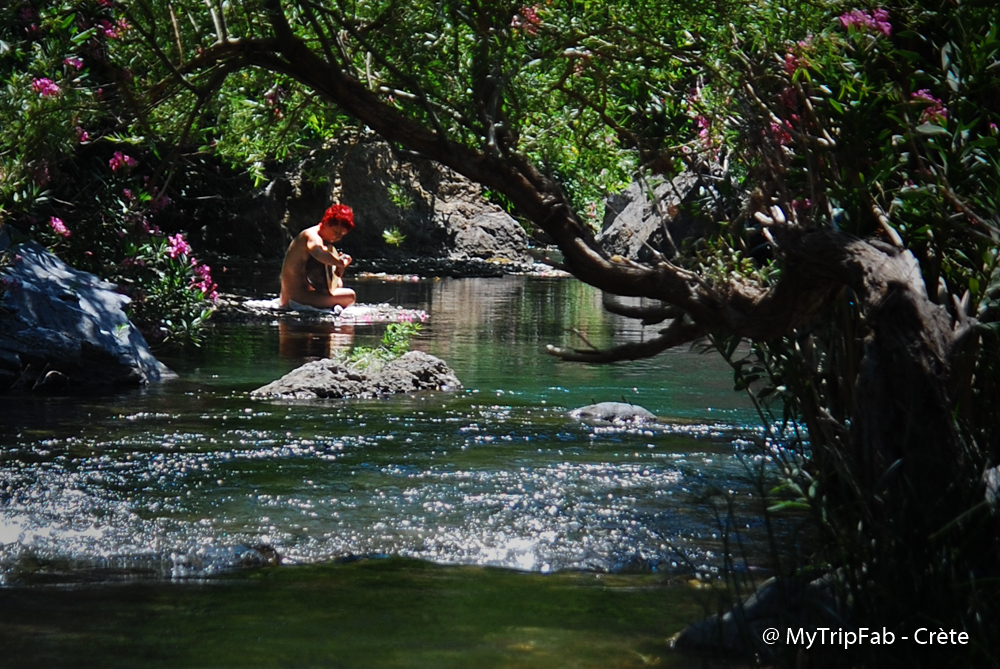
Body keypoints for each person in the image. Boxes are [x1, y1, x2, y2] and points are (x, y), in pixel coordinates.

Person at [279, 203, 357, 309]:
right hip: (295, 297)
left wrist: (338, 266)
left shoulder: (320, 239)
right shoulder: (312, 236)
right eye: (336, 232)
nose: (338, 237)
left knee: (338, 284)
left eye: (341, 235)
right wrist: (339, 262)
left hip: (301, 295)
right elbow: (319, 252)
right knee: (350, 296)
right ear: (325, 223)